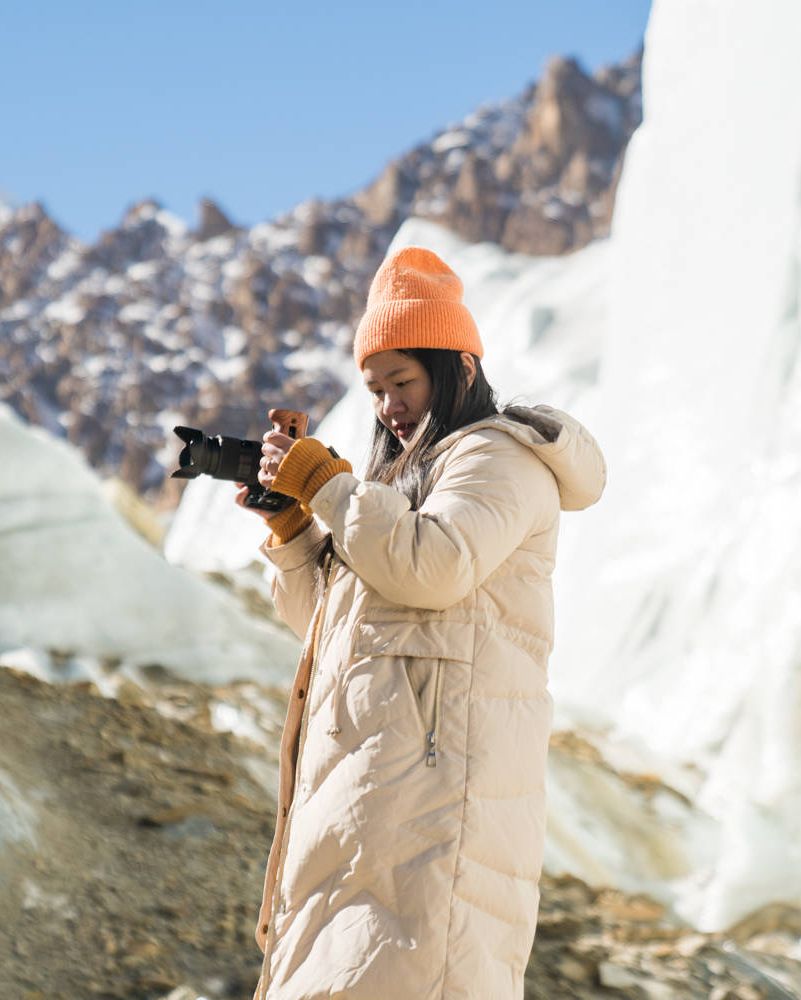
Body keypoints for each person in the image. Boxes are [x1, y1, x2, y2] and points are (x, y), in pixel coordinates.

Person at [235, 246, 606, 999]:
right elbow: (333, 625)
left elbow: (431, 567)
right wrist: (296, 531)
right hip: (366, 811)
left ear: (458, 369)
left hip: (434, 820)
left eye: (401, 381)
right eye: (374, 390)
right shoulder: (398, 482)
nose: (387, 406)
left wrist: (331, 488)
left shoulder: (497, 460)